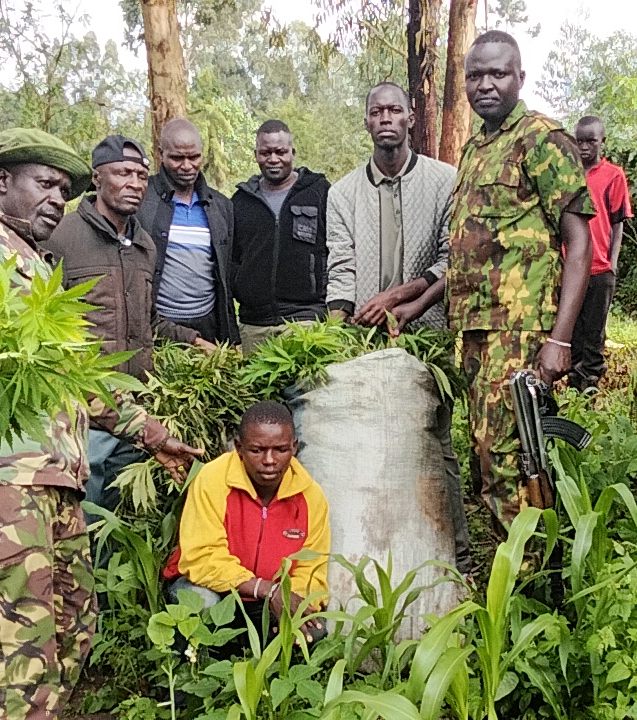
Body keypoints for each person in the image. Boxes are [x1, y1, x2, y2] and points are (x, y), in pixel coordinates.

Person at [0, 128, 202, 720]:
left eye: (65, 190)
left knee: (71, 616)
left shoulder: (29, 259)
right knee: (16, 645)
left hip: (44, 471)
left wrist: (151, 431)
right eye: (45, 183)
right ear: (2, 182)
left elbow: (69, 371)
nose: (56, 200)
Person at [449, 31, 595, 528]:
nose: (484, 84)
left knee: (513, 457)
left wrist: (560, 339)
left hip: (521, 331)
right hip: (475, 329)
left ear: (520, 78)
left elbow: (580, 246)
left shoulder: (543, 139)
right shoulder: (475, 149)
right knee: (485, 455)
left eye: (498, 73)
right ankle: (510, 571)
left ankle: (531, 581)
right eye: (475, 75)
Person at [325, 81, 470, 572]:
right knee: (370, 440)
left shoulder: (446, 180)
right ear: (366, 122)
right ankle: (378, 552)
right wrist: (336, 330)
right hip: (364, 339)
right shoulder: (342, 192)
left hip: (428, 331)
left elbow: (454, 259)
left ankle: (456, 554)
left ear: (411, 118)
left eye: (395, 110)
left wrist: (399, 296)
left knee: (434, 442)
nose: (385, 118)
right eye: (376, 111)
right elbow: (340, 264)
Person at [43, 134, 156, 534]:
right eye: (123, 173)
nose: (135, 183)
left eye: (142, 175)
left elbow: (149, 320)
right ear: (96, 179)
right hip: (85, 412)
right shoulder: (62, 237)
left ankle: (115, 595)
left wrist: (191, 340)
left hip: (134, 407)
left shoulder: (144, 244)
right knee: (84, 518)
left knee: (121, 518)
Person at [161, 401, 329, 646]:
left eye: (280, 449)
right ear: (239, 448)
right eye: (257, 450)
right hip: (214, 589)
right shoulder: (212, 479)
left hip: (267, 602)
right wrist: (265, 588)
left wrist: (292, 601)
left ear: (294, 448)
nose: (269, 460)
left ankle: (266, 678)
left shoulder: (311, 497)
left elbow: (312, 570)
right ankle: (193, 673)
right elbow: (201, 558)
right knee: (201, 602)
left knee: (312, 629)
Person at [231, 120, 332, 354]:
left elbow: (337, 249)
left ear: (293, 153)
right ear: (256, 155)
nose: (273, 159)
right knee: (255, 391)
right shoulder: (240, 202)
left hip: (306, 320)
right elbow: (232, 259)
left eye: (281, 152)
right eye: (266, 153)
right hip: (254, 324)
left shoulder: (319, 192)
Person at [140, 118, 238, 349]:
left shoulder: (220, 206)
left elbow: (225, 276)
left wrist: (232, 337)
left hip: (207, 322)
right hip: (158, 324)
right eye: (177, 158)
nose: (187, 166)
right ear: (160, 154)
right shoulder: (142, 200)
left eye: (194, 157)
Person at [569, 115, 633, 391]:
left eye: (590, 141)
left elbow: (617, 223)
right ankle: (573, 382)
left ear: (602, 142)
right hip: (570, 267)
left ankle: (590, 385)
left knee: (594, 332)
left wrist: (612, 263)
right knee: (573, 329)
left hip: (599, 267)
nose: (584, 147)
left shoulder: (613, 176)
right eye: (579, 141)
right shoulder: (567, 173)